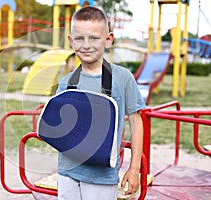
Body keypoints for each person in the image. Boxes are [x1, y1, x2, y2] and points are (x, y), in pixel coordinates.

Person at [55, 6, 146, 200]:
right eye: (79, 38)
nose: (86, 45)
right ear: (71, 41)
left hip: (102, 178)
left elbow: (136, 123)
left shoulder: (122, 78)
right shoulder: (66, 82)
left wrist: (134, 167)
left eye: (94, 38)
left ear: (108, 39)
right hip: (66, 173)